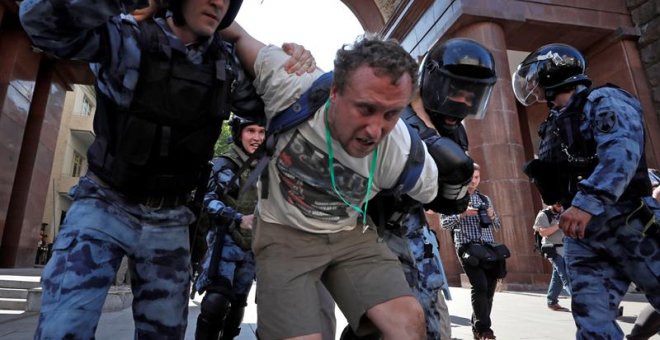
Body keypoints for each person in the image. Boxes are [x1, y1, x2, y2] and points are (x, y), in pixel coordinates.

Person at [19, 0, 315, 338]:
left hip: (172, 217)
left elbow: (290, 110)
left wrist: (275, 56)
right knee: (62, 328)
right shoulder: (128, 38)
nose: (218, 2)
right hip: (104, 203)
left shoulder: (225, 64)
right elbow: (40, 22)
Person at [221, 22, 463, 339]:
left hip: (350, 233)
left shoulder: (403, 153)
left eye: (391, 114)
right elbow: (237, 34)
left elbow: (445, 200)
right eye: (365, 108)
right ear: (335, 91)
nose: (375, 131)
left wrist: (461, 180)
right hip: (283, 233)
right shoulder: (292, 82)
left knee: (408, 323)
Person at [340, 37, 497, 340]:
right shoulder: (392, 114)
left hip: (413, 231)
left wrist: (453, 186)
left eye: (472, 94)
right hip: (369, 230)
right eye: (456, 90)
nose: (463, 101)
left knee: (432, 324)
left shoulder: (454, 132)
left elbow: (444, 202)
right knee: (380, 325)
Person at [513, 43, 660, 339]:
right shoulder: (554, 122)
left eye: (534, 77)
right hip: (583, 235)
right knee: (592, 323)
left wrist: (587, 202)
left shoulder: (604, 99)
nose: (531, 85)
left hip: (628, 220)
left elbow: (622, 153)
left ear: (551, 71)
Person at [440, 163, 504, 340]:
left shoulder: (485, 199)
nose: (473, 182)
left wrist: (492, 216)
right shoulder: (453, 198)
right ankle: (484, 329)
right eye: (470, 178)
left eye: (476, 178)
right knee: (480, 285)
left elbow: (497, 226)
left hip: (488, 247)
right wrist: (462, 214)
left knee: (490, 287)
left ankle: (478, 324)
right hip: (466, 247)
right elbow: (444, 224)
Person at [533, 203, 571, 312]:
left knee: (557, 277)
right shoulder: (544, 215)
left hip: (566, 248)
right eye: (557, 204)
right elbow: (543, 232)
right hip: (553, 250)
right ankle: (583, 304)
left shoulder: (565, 212)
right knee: (566, 276)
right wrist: (559, 224)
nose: (560, 206)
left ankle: (552, 301)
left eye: (561, 204)